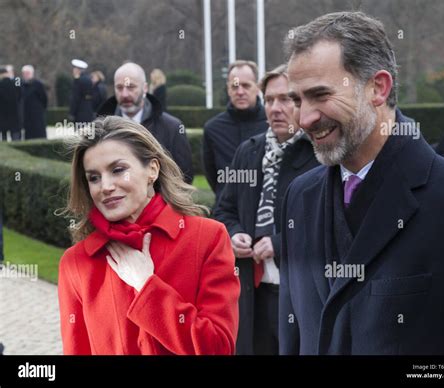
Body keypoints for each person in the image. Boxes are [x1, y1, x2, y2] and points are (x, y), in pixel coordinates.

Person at [279, 11, 444, 355]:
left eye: (320, 95)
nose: (304, 118)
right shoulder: (299, 195)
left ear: (378, 88)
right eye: (297, 100)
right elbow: (293, 336)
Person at [58, 116, 239, 355]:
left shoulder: (207, 238)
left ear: (152, 170)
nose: (105, 186)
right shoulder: (76, 262)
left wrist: (146, 286)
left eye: (118, 170)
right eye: (94, 177)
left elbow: (217, 348)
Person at [214, 65, 318, 355]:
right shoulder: (248, 151)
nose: (275, 108)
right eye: (269, 99)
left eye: (285, 99)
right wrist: (233, 234)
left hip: (298, 294)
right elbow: (224, 209)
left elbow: (328, 226)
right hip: (251, 292)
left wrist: (277, 243)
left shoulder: (319, 154)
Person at [98, 62, 193, 184]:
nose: (125, 94)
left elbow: (184, 177)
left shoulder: (172, 127)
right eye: (119, 87)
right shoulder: (99, 129)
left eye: (131, 87)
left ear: (145, 88)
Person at [202, 60, 268, 204]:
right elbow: (212, 175)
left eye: (246, 85)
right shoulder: (213, 128)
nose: (240, 92)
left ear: (257, 87)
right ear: (228, 89)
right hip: (226, 211)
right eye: (235, 86)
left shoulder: (272, 124)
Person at [21, 65, 48, 139]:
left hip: (37, 113)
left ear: (32, 73)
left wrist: (42, 109)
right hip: (27, 113)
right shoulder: (21, 84)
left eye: (27, 73)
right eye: (24, 73)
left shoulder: (38, 84)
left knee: (39, 132)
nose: (25, 75)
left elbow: (44, 99)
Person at [69, 59, 94, 124]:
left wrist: (72, 113)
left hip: (80, 112)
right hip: (89, 110)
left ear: (77, 70)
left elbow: (75, 98)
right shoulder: (89, 80)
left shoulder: (78, 81)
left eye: (74, 69)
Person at [0, 67, 21, 141]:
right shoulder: (16, 81)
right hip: (14, 113)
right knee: (15, 135)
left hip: (2, 114)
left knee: (4, 135)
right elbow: (20, 95)